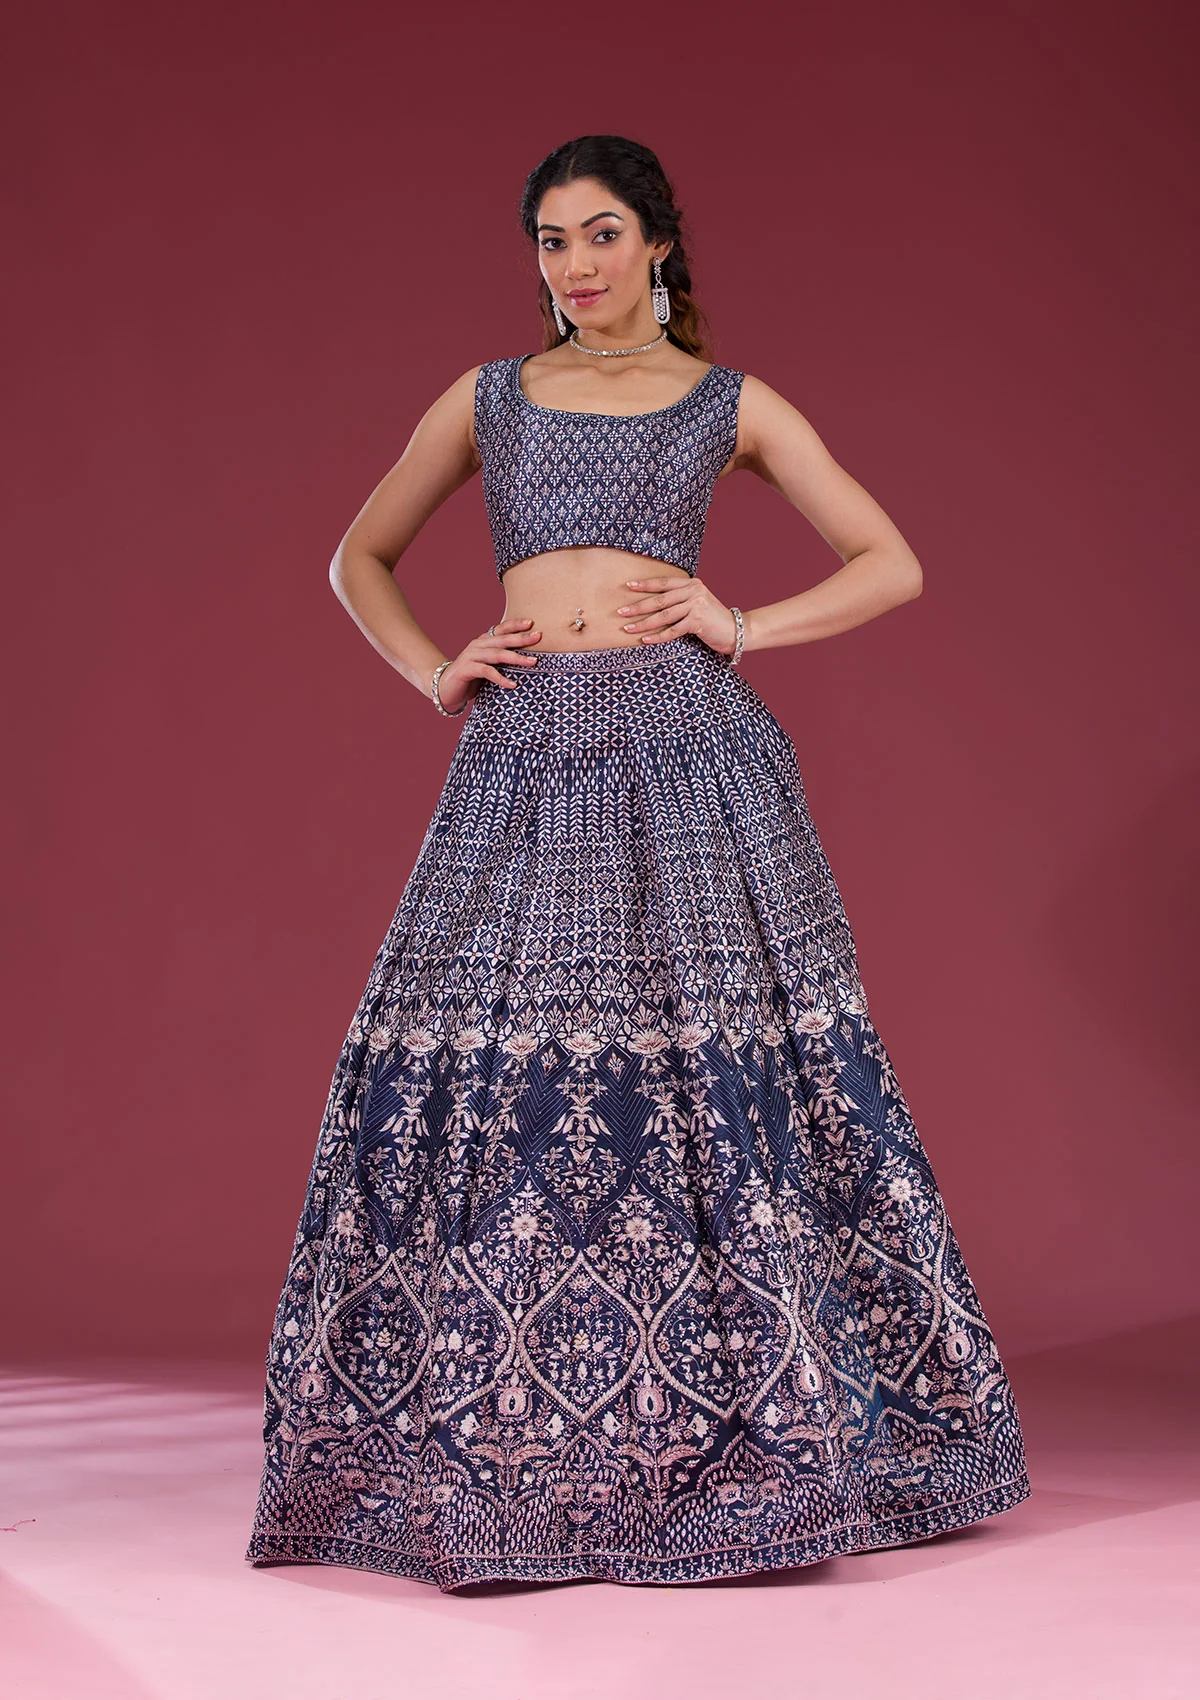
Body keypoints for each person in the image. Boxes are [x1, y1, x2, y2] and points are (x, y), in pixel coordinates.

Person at [245, 134, 1031, 1591]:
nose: (578, 264)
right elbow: (360, 557)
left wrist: (743, 627)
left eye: (603, 233)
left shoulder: (729, 402)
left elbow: (891, 560)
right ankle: (514, 1446)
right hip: (529, 750)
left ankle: (759, 1431)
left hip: (688, 749)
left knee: (715, 1073)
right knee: (508, 1083)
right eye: (552, 241)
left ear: (658, 243)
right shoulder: (488, 397)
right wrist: (433, 670)